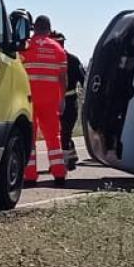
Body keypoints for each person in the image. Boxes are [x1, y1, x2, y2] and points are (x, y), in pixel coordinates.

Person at [20, 15, 69, 185]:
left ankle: (29, 175)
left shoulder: (25, 47)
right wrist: (62, 99)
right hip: (50, 99)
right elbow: (63, 78)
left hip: (28, 99)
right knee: (53, 137)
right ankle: (59, 174)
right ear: (49, 29)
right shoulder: (58, 49)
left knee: (29, 138)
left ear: (34, 28)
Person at [53, 31, 85, 171]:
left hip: (69, 101)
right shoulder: (50, 61)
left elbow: (84, 80)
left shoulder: (72, 60)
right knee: (59, 134)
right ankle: (68, 157)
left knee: (65, 133)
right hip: (54, 101)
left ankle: (65, 161)